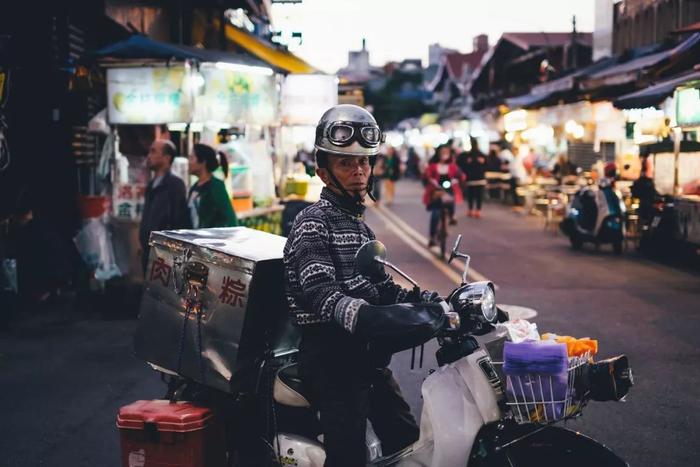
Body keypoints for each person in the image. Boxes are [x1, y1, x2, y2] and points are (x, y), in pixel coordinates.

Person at [284, 105, 436, 467]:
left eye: (364, 163)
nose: (359, 172)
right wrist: (369, 318)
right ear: (323, 172)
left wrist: (431, 301)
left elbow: (382, 285)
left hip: (364, 356)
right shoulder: (312, 223)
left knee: (406, 439)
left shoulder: (359, 227)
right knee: (348, 456)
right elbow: (321, 294)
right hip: (330, 359)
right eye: (346, 164)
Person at [139, 139, 190, 273]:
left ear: (167, 158)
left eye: (153, 151)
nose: (148, 156)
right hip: (148, 251)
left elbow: (178, 221)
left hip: (164, 255)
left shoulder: (175, 185)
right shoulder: (151, 185)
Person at [187, 143, 237, 229]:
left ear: (203, 162)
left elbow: (230, 219)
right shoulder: (194, 187)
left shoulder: (216, 187)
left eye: (191, 158)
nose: (189, 162)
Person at [422, 144, 462, 246]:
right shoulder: (433, 166)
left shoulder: (452, 166)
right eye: (442, 152)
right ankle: (432, 237)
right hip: (435, 192)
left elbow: (460, 175)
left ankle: (452, 216)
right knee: (435, 214)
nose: (444, 155)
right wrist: (430, 180)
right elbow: (426, 176)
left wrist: (457, 179)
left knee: (451, 199)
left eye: (446, 153)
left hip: (448, 190)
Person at [457, 137, 488, 218]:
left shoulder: (479, 155)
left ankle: (475, 210)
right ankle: (474, 210)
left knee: (475, 195)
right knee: (474, 195)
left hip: (477, 179)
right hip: (473, 178)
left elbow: (487, 165)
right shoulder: (469, 155)